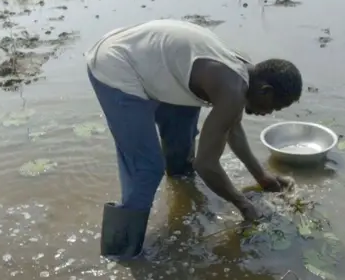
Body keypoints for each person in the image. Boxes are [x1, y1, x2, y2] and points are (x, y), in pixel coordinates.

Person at [84, 19, 303, 260]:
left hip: (152, 60)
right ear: (266, 91)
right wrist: (244, 205)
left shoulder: (243, 71)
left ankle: (179, 182)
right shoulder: (231, 88)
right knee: (146, 168)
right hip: (116, 65)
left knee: (182, 135)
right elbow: (206, 165)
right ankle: (121, 251)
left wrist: (262, 177)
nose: (267, 114)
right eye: (273, 108)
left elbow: (233, 128)